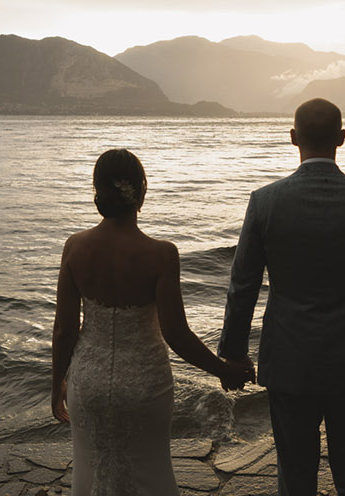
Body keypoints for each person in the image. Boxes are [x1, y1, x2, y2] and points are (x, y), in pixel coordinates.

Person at [218, 98, 345, 496]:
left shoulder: (265, 202)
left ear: (293, 138)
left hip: (289, 358)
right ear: (342, 138)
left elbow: (243, 287)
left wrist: (233, 355)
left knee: (295, 473)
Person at [51, 148, 253, 495]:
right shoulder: (161, 254)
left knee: (92, 469)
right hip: (145, 384)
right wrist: (223, 370)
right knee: (151, 472)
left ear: (97, 192)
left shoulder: (75, 247)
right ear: (141, 192)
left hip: (89, 382)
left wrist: (57, 384)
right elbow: (175, 333)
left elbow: (64, 330)